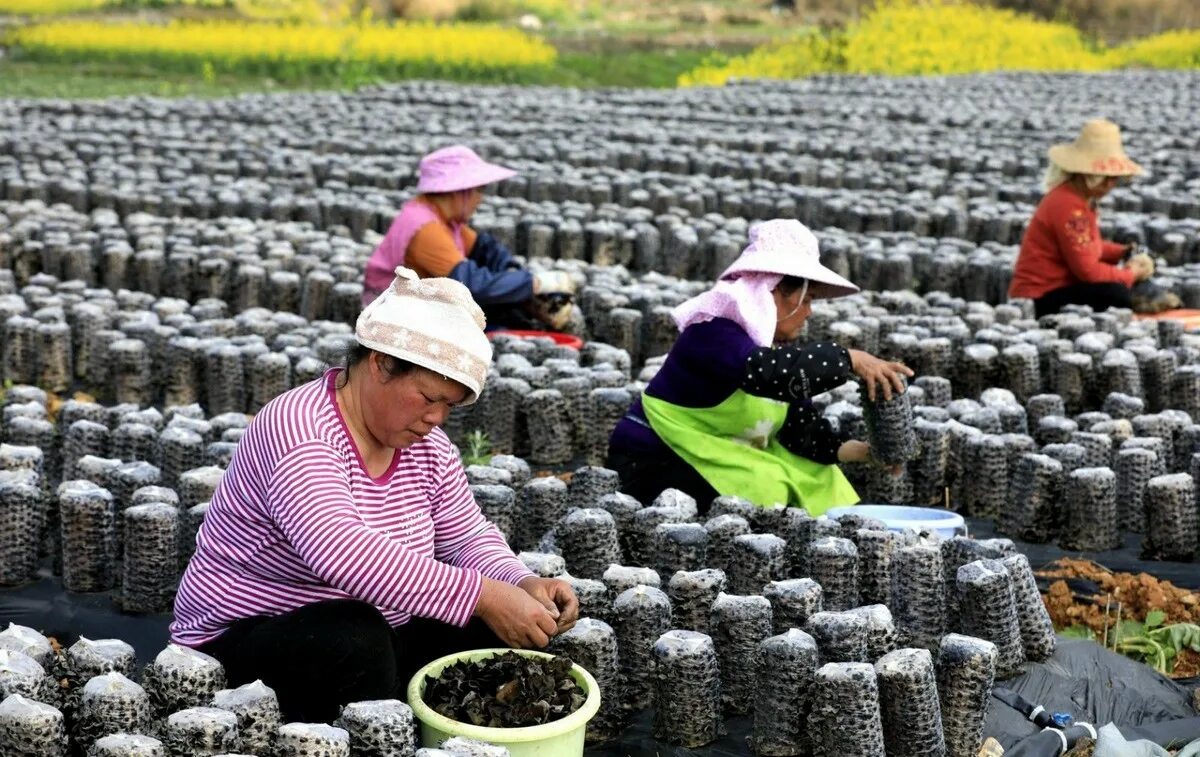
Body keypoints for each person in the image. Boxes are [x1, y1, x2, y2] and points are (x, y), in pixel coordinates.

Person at [171, 267, 579, 722]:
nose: (437, 418)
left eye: (451, 405)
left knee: (495, 628)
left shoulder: (427, 448)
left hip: (377, 626)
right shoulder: (300, 429)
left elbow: (463, 537)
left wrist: (519, 583)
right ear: (380, 363)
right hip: (246, 639)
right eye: (429, 397)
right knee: (356, 636)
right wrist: (483, 595)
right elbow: (339, 549)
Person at [606, 219, 913, 517]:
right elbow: (766, 373)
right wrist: (849, 359)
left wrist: (868, 453)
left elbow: (801, 431)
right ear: (775, 292)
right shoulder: (712, 333)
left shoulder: (775, 353)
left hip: (722, 454)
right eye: (807, 300)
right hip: (656, 459)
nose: (808, 312)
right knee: (768, 486)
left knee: (821, 475)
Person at [362, 144, 577, 331]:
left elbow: (487, 250)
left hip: (419, 310)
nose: (480, 199)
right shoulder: (425, 228)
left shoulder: (441, 218)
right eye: (479, 190)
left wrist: (515, 276)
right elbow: (472, 284)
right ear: (459, 190)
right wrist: (535, 283)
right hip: (396, 323)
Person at [1009, 118, 1155, 318]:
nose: (1112, 185)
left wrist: (1122, 252)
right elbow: (1088, 271)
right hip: (1039, 297)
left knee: (1116, 288)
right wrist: (1130, 274)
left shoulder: (1076, 199)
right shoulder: (1069, 206)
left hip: (1052, 289)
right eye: (1110, 178)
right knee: (1116, 294)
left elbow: (1087, 246)